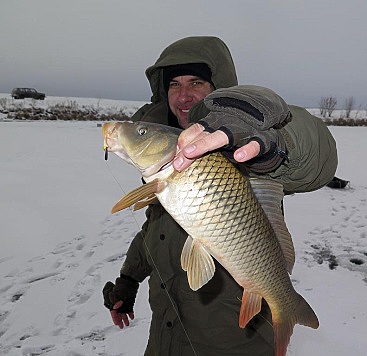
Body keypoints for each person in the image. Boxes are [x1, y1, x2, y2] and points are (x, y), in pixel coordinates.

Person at [102, 36, 338, 356]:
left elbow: (317, 155)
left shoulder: (246, 148)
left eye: (196, 82)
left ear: (219, 89)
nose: (184, 95)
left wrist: (275, 140)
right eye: (174, 84)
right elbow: (153, 230)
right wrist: (128, 280)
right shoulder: (172, 159)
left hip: (234, 343)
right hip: (166, 337)